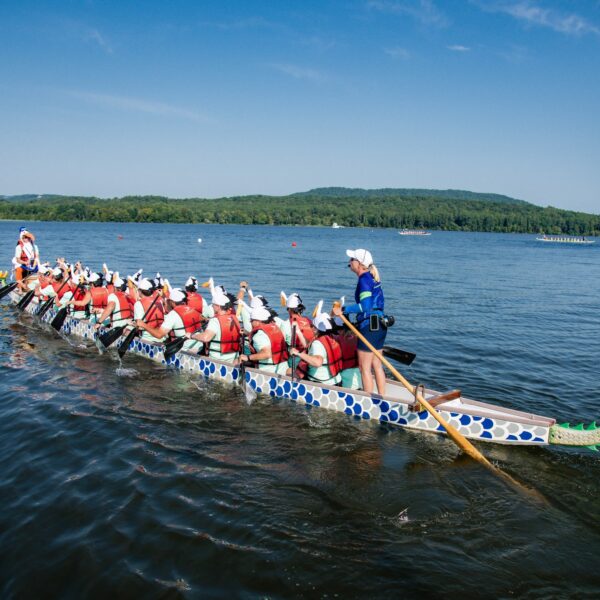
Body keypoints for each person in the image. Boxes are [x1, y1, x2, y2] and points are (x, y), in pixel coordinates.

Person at [332, 248, 386, 395]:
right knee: (377, 365)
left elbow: (365, 306)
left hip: (369, 326)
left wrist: (343, 310)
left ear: (360, 263)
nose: (349, 262)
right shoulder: (372, 277)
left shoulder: (364, 280)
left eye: (352, 259)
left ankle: (368, 402)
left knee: (364, 367)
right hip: (380, 325)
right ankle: (382, 396)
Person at [136, 288, 203, 352]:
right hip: (200, 347)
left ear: (172, 302)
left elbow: (159, 335)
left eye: (168, 301)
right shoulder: (194, 310)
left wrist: (143, 325)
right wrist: (164, 298)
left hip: (185, 350)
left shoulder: (173, 315)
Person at [186, 287, 241, 363]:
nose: (212, 306)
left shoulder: (215, 321)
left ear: (218, 306)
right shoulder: (235, 318)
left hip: (216, 360)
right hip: (232, 358)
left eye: (213, 305)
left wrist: (191, 336)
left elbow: (206, 338)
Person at [291, 311, 342, 386]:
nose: (311, 327)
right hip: (336, 380)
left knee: (289, 372)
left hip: (321, 384)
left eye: (312, 325)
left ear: (316, 329)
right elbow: (309, 348)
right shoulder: (332, 338)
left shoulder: (317, 343)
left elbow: (318, 362)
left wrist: (298, 353)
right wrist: (298, 331)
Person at [239, 305, 289, 374]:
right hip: (282, 368)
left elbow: (267, 353)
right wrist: (248, 334)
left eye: (251, 320)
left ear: (258, 321)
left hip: (268, 372)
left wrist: (248, 357)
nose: (250, 322)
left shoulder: (258, 335)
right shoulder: (275, 327)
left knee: (239, 360)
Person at [133, 278, 165, 342]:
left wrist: (131, 323)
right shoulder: (160, 301)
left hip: (147, 338)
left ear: (140, 291)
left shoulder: (138, 303)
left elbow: (139, 325)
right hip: (162, 337)